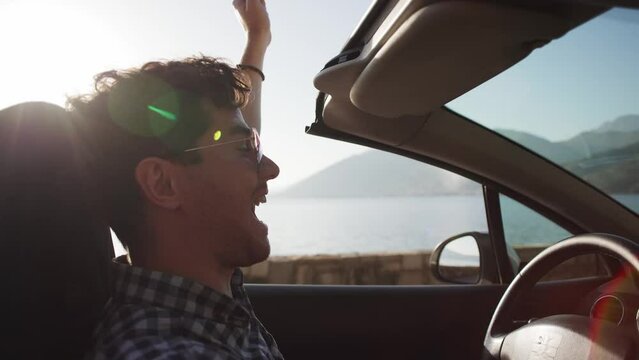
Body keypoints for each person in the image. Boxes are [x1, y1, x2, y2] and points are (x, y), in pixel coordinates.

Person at [68, 1, 283, 359]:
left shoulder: (200, 305)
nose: (270, 169)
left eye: (255, 146)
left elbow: (219, 146)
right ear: (163, 185)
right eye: (247, 148)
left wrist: (257, 40)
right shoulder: (166, 351)